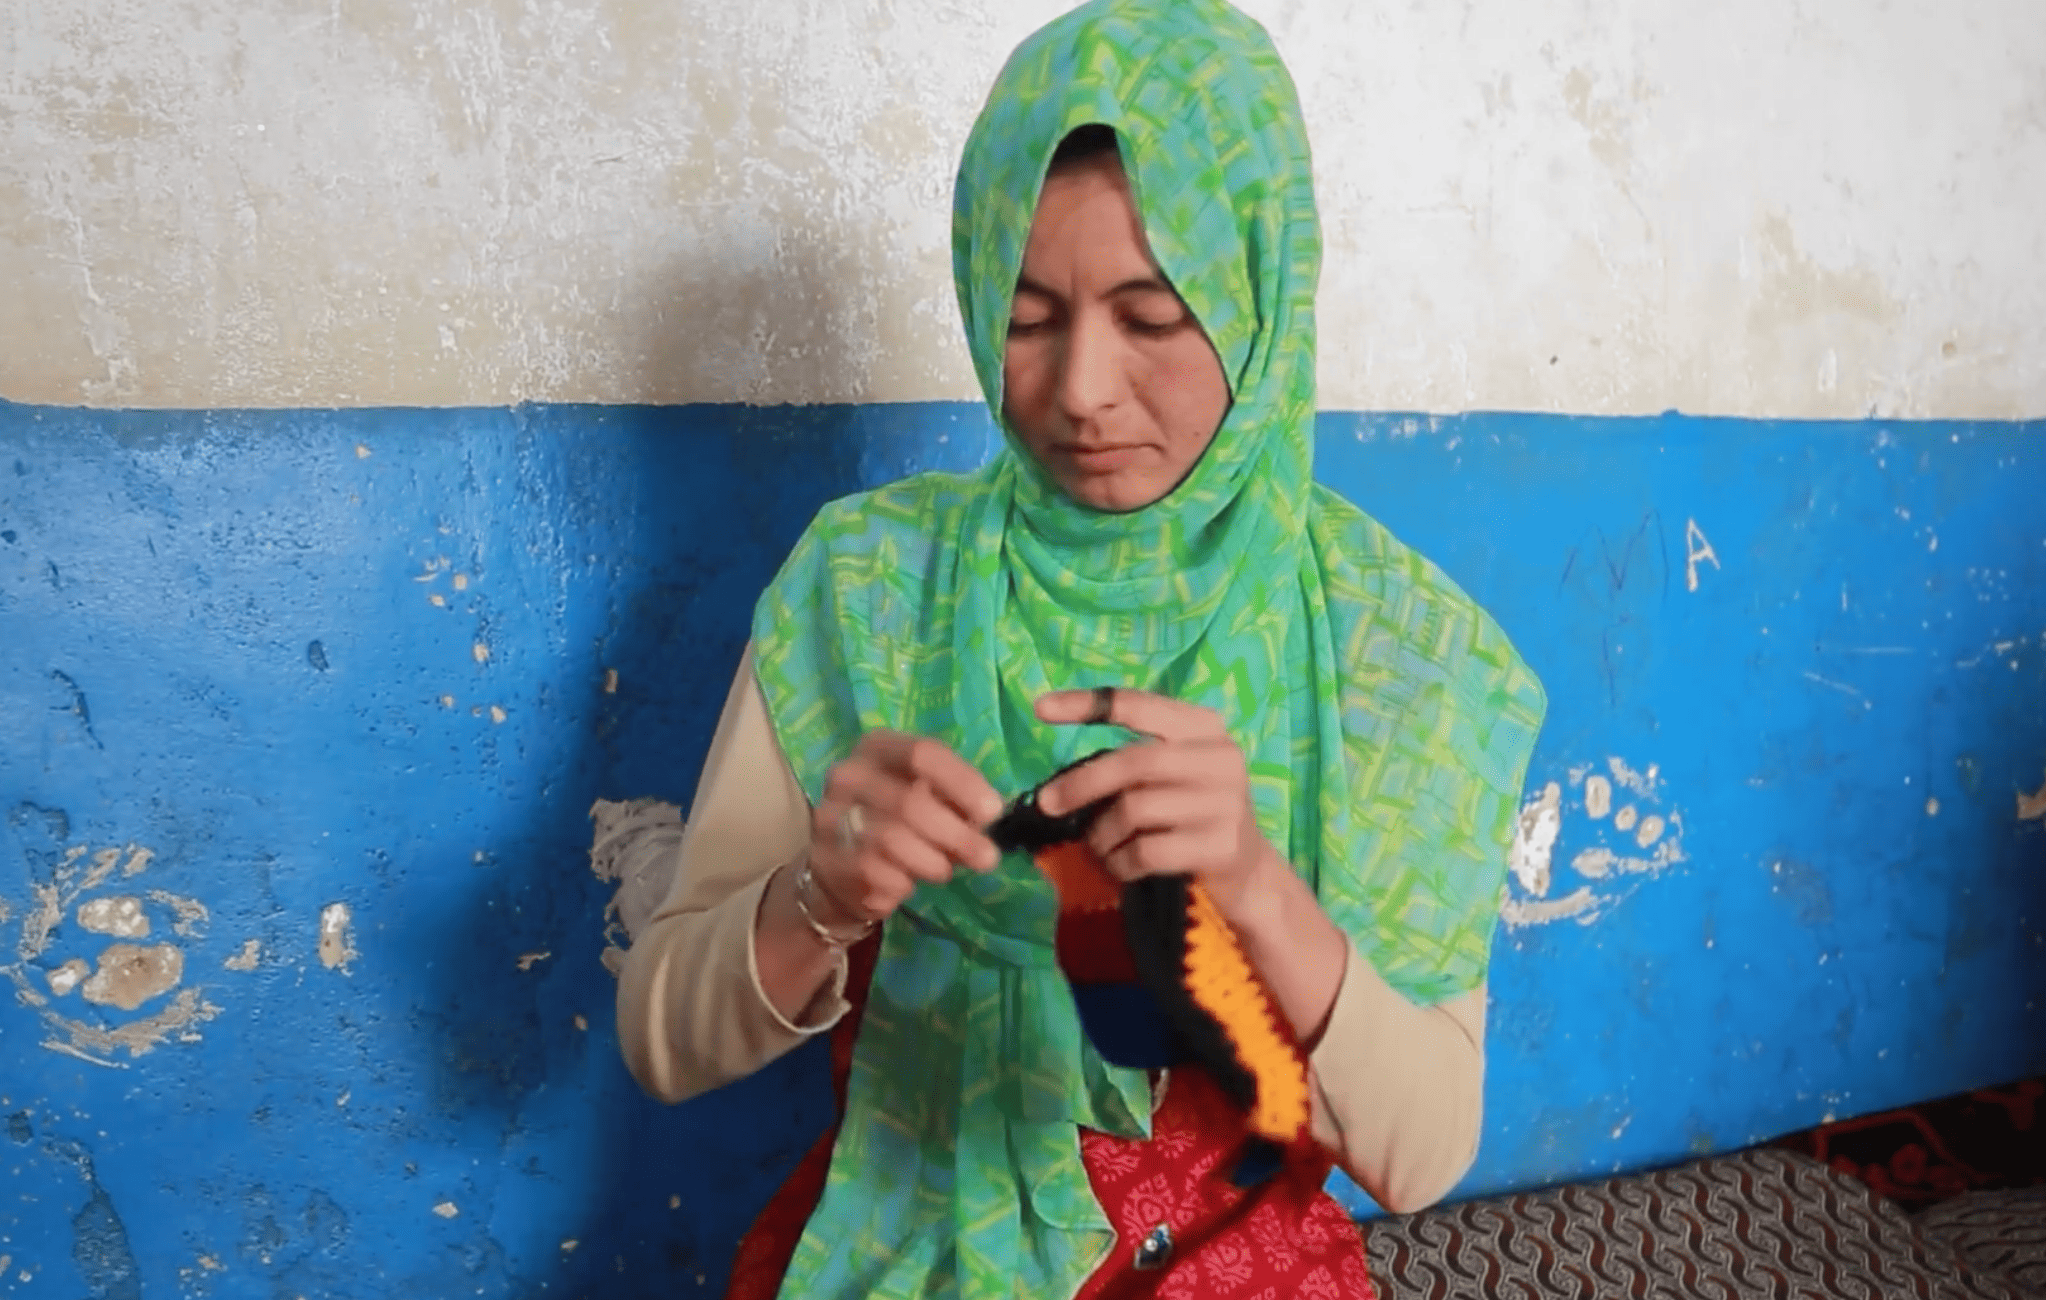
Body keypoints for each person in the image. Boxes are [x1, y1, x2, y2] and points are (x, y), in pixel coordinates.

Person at [615, 1, 1545, 1295]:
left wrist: (1253, 883)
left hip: (1235, 1262)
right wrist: (821, 896)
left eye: (1152, 316)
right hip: (906, 1244)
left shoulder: (1396, 646)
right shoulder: (868, 589)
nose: (1079, 390)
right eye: (1027, 314)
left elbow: (1420, 1153)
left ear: (1260, 301)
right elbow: (662, 1043)